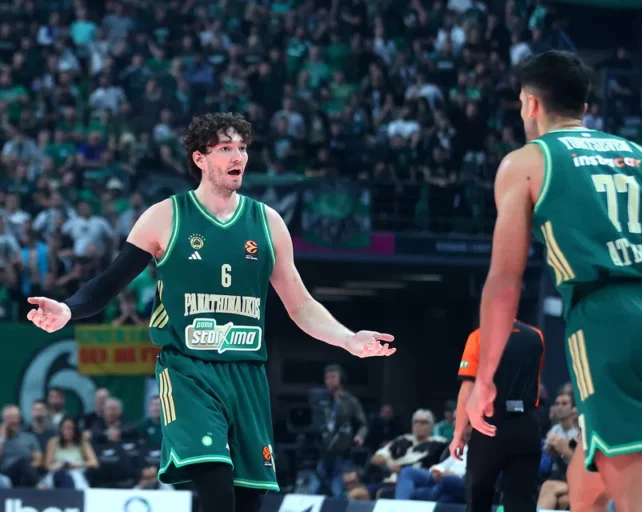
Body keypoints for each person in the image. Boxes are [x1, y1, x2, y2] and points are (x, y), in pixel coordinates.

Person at [26, 112, 396, 512]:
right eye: (225, 148)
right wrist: (67, 309)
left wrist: (347, 338)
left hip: (247, 373)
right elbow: (108, 283)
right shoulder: (166, 216)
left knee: (248, 500)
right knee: (217, 489)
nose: (238, 156)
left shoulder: (267, 222)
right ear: (200, 158)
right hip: (189, 370)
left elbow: (301, 304)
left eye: (242, 148)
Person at [465, 50, 642, 512]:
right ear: (583, 107)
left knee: (640, 494)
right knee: (586, 481)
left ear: (531, 104)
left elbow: (504, 283)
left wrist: (484, 380)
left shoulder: (527, 162)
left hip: (607, 321)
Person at [450, 325, 545, 512]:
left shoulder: (479, 336)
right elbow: (536, 378)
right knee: (522, 500)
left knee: (478, 497)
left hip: (489, 424)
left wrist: (458, 434)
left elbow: (467, 389)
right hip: (527, 424)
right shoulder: (537, 335)